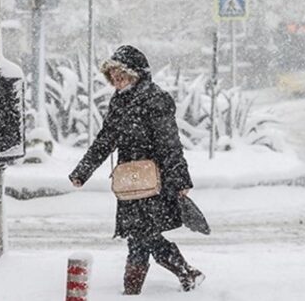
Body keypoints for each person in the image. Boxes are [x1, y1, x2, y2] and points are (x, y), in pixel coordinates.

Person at [68, 45, 204, 295]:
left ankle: (134, 290)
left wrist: (180, 179)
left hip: (155, 180)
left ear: (136, 74)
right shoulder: (119, 102)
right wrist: (82, 171)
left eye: (122, 75)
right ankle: (185, 273)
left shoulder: (155, 99)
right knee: (141, 235)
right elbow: (105, 139)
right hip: (130, 181)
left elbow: (169, 143)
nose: (117, 81)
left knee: (142, 236)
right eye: (114, 76)